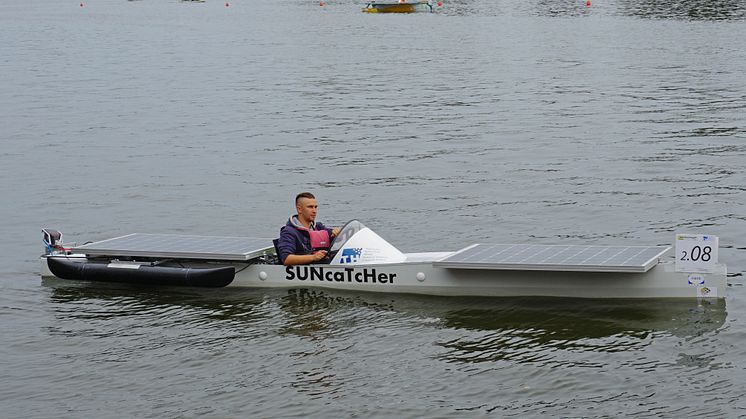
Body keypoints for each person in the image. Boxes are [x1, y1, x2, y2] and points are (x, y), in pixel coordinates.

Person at [277, 192, 340, 266]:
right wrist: (313, 257)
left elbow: (332, 233)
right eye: (310, 207)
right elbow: (286, 259)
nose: (314, 211)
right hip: (303, 272)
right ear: (299, 209)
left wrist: (337, 232)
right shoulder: (289, 232)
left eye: (315, 207)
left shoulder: (318, 227)